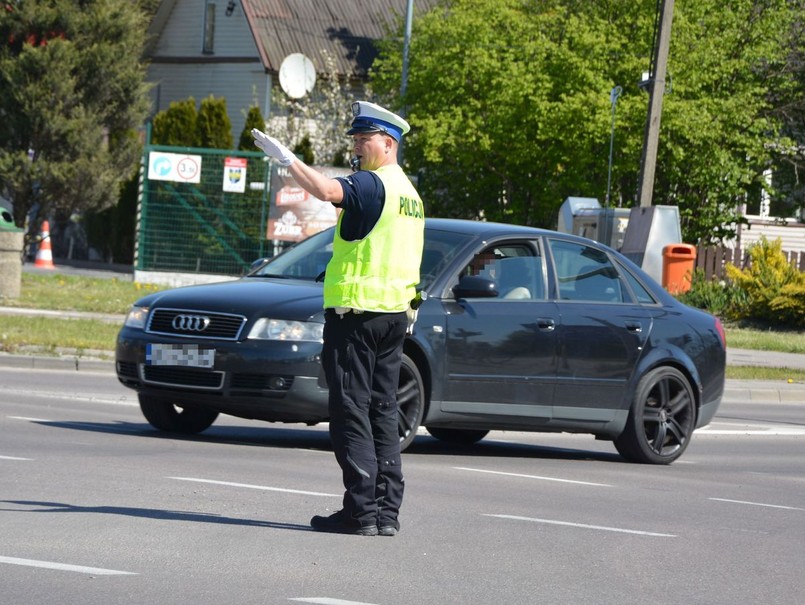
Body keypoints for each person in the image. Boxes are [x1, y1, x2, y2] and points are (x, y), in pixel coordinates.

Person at [252, 101, 425, 536]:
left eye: (364, 140)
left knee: (350, 410)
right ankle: (386, 513)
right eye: (355, 140)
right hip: (393, 317)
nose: (357, 148)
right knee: (383, 410)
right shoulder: (410, 195)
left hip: (357, 315)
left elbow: (330, 192)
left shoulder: (372, 183)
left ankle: (360, 512)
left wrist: (289, 161)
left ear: (388, 143)